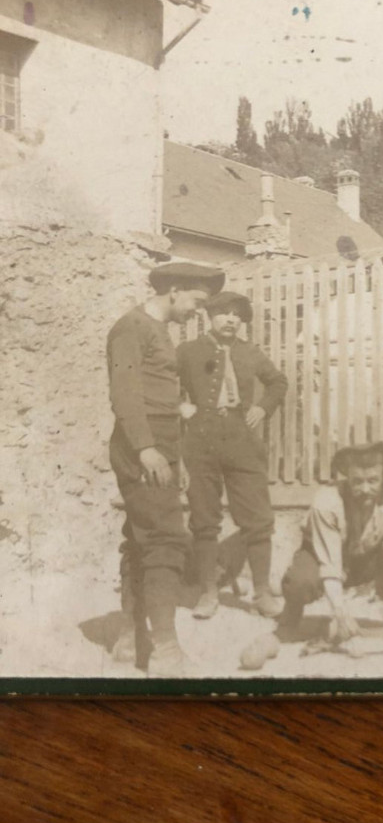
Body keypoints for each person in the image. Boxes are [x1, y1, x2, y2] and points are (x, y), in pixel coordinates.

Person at [107, 260, 225, 675]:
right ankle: (165, 652)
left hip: (162, 447)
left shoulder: (159, 332)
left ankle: (129, 636)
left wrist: (176, 456)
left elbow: (161, 397)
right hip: (143, 448)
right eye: (196, 301)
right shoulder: (131, 328)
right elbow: (125, 394)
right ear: (174, 290)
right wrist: (146, 450)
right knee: (166, 541)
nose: (198, 311)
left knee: (141, 540)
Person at [176, 290, 288, 620]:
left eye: (237, 314)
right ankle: (209, 592)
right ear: (209, 317)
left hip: (242, 441)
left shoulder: (249, 352)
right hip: (201, 441)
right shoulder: (188, 351)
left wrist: (262, 408)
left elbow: (278, 382)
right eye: (224, 312)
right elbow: (163, 382)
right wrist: (181, 407)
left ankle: (263, 593)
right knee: (204, 519)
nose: (231, 319)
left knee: (258, 518)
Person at [278, 442, 383, 642]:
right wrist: (340, 613)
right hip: (324, 559)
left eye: (373, 480)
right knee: (300, 582)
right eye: (357, 481)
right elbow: (330, 565)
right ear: (347, 478)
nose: (365, 488)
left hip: (365, 560)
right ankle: (290, 615)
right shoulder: (326, 502)